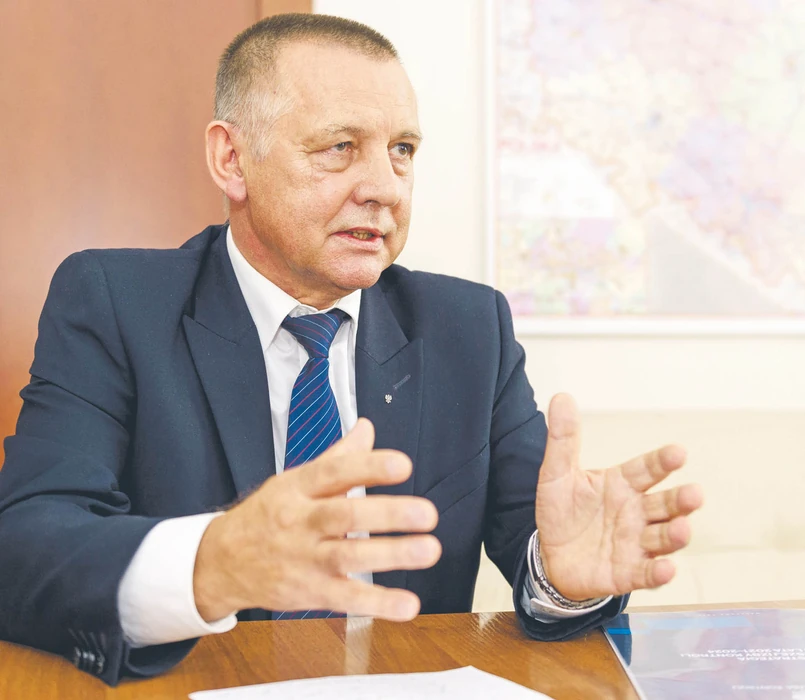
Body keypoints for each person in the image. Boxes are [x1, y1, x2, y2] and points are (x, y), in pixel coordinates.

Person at [0, 14, 703, 686]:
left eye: (402, 150)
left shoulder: (468, 327)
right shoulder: (117, 303)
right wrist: (211, 564)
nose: (384, 189)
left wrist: (560, 578)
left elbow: (540, 539)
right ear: (231, 159)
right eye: (339, 147)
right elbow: (24, 548)